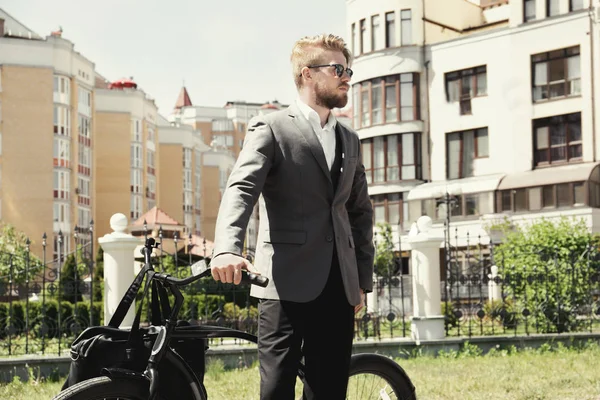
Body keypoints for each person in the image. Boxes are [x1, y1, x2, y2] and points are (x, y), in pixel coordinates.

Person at [210, 33, 374, 400]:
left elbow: (359, 213)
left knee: (329, 389)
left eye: (348, 69)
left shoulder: (350, 139)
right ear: (308, 74)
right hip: (283, 281)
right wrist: (226, 248)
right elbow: (241, 189)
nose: (347, 76)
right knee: (276, 389)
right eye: (338, 69)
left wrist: (361, 278)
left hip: (339, 285)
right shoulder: (272, 128)